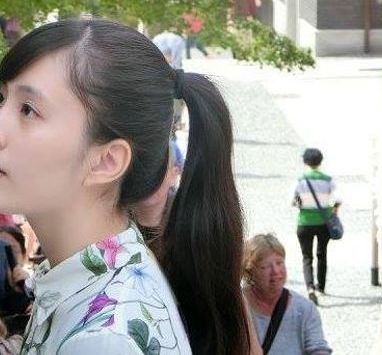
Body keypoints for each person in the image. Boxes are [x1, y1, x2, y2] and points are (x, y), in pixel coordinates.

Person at [0, 19, 249, 355]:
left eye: (28, 110)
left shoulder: (104, 339)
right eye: (1, 98)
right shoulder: (87, 284)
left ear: (106, 161)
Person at [243, 234, 332, 355]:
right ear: (250, 271)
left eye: (279, 263)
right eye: (265, 266)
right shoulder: (236, 307)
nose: (275, 271)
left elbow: (318, 348)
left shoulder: (304, 309)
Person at [292, 148, 341, 305]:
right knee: (322, 254)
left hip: (305, 222)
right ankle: (321, 287)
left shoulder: (301, 180)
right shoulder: (327, 179)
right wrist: (333, 210)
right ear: (320, 161)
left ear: (305, 161)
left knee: (307, 257)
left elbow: (293, 201)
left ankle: (310, 288)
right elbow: (338, 198)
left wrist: (302, 203)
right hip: (323, 222)